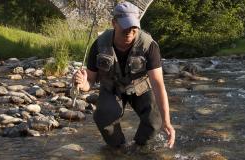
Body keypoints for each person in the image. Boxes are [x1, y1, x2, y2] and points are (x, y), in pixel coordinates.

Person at [73, 2, 175, 149]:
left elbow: (158, 85)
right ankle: (119, 149)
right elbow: (90, 80)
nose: (130, 31)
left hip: (139, 86)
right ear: (114, 23)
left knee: (155, 120)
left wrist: (167, 121)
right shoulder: (99, 45)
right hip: (112, 87)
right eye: (125, 26)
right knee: (104, 116)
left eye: (134, 27)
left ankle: (139, 147)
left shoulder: (149, 46)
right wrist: (82, 84)